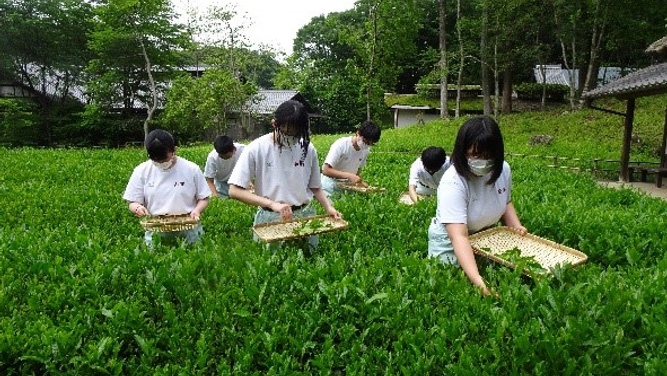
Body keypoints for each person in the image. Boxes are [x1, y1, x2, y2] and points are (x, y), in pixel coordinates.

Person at [427, 116, 526, 296]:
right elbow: (459, 237)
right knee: (451, 284)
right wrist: (480, 283)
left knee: (504, 275)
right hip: (450, 239)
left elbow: (506, 200)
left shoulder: (503, 169)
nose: (482, 161)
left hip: (486, 235)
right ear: (462, 151)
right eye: (475, 154)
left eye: (489, 155)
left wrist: (516, 226)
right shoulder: (453, 182)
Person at [228, 100, 342, 249]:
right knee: (272, 265)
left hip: (304, 214)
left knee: (308, 261)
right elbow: (234, 190)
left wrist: (329, 207)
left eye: (296, 133)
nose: (291, 138)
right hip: (271, 217)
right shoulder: (257, 148)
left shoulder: (307, 148)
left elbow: (315, 187)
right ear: (275, 124)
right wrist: (272, 204)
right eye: (286, 131)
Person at [123, 129, 211, 246]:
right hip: (156, 229)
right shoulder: (141, 171)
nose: (161, 163)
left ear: (174, 150)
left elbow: (203, 198)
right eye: (156, 161)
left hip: (189, 228)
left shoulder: (191, 169)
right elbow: (133, 202)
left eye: (164, 160)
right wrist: (137, 208)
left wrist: (197, 210)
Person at [321, 120, 381, 197]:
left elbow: (357, 171)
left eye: (370, 144)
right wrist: (349, 176)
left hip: (347, 187)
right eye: (365, 141)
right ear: (358, 133)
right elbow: (325, 170)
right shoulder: (341, 145)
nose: (367, 145)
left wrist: (360, 182)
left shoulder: (366, 150)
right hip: (329, 187)